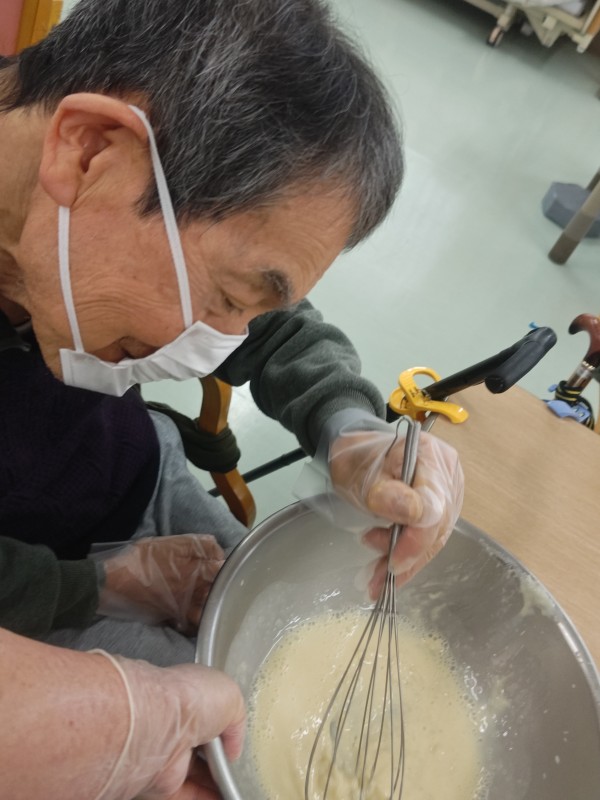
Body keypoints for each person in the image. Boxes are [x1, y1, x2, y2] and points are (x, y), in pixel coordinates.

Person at [0, 0, 464, 797]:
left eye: (247, 305)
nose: (222, 340)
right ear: (89, 149)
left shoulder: (76, 204)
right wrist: (101, 586)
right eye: (226, 297)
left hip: (130, 466)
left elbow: (274, 321)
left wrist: (350, 429)